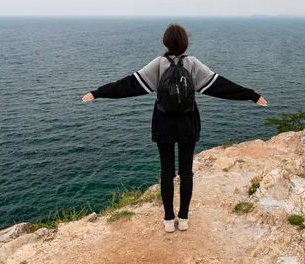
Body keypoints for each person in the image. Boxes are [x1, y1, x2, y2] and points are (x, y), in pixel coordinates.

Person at [82, 24, 267, 233]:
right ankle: (184, 217)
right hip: (188, 124)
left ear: (165, 42)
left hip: (164, 124)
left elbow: (128, 85)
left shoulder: (158, 64)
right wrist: (250, 94)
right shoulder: (192, 64)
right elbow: (220, 85)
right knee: (186, 172)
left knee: (166, 172)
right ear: (185, 43)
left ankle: (169, 219)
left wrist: (98, 92)